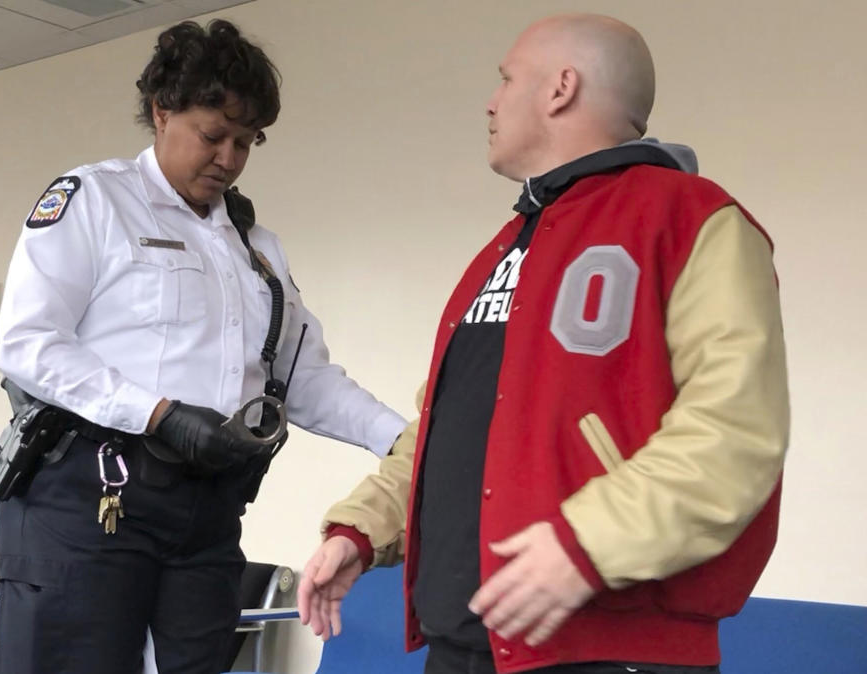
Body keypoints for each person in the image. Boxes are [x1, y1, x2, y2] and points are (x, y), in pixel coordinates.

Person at [298, 13, 789, 674]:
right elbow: (442, 434)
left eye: (506, 80)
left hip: (611, 654)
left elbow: (734, 431)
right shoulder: (500, 252)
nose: (491, 101)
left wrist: (589, 540)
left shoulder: (695, 221)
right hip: (462, 648)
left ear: (560, 88)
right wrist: (361, 531)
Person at [0, 19, 406, 674]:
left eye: (247, 142)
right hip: (93, 501)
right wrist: (160, 415)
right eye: (214, 136)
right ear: (162, 111)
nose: (230, 158)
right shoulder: (96, 201)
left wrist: (408, 441)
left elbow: (304, 377)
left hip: (206, 513)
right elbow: (26, 344)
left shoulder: (255, 246)